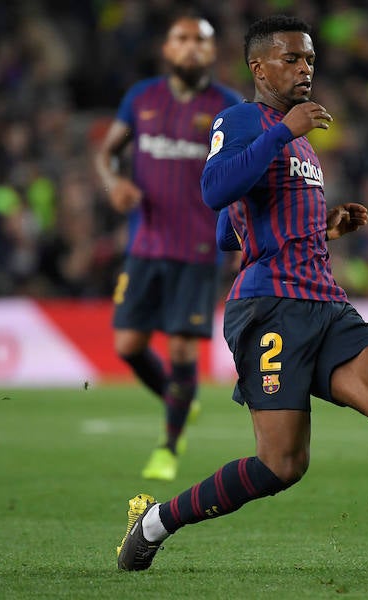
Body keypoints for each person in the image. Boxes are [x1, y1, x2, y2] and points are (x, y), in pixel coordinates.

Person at [115, 15, 368, 577]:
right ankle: (155, 523)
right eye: (292, 59)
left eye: (310, 60)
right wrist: (281, 133)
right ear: (259, 66)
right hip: (269, 305)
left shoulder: (301, 144)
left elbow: (233, 229)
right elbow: (216, 193)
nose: (304, 68)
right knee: (281, 465)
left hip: (323, 297)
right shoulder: (242, 120)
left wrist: (325, 226)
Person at [93, 12, 244, 481]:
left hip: (197, 248)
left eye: (201, 40)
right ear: (167, 48)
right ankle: (180, 399)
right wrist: (113, 183)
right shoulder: (142, 98)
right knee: (128, 344)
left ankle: (168, 448)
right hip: (145, 243)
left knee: (181, 350)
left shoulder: (229, 107)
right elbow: (106, 154)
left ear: (212, 51)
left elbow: (243, 173)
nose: (191, 47)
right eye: (182, 39)